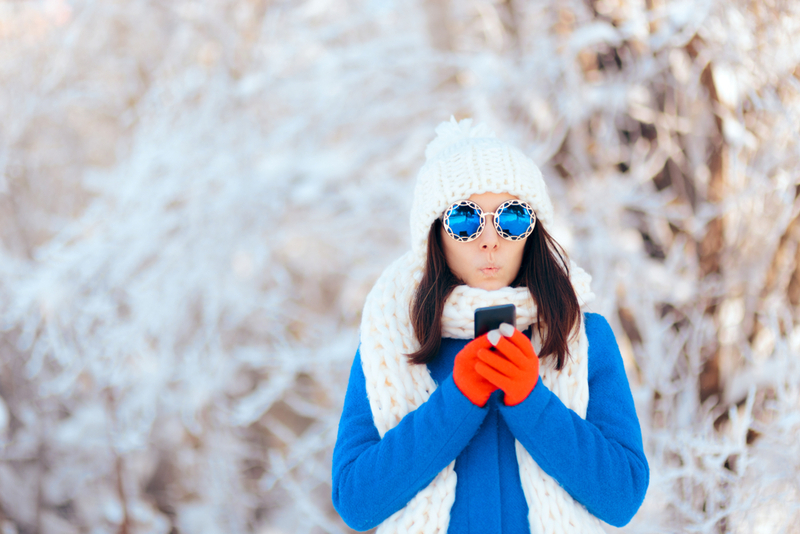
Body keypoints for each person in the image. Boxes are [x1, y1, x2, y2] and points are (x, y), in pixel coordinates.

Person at [331, 117, 649, 533]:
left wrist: (530, 401)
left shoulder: (584, 337)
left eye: (512, 218)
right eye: (464, 221)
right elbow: (356, 501)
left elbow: (622, 495)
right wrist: (457, 400)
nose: (489, 240)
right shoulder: (390, 343)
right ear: (435, 236)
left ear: (533, 231)